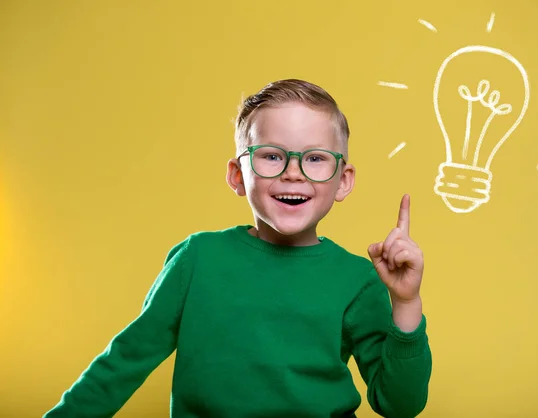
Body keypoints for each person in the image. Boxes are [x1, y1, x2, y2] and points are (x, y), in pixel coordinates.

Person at [44, 79, 432, 418]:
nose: (292, 172)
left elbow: (400, 405)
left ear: (343, 181)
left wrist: (406, 303)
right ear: (237, 175)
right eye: (271, 156)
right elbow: (124, 361)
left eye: (314, 158)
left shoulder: (358, 279)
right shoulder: (197, 259)